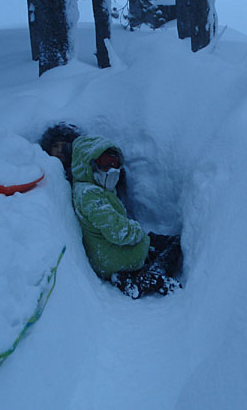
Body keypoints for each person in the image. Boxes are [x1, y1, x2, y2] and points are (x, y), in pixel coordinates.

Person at [41, 128, 182, 299]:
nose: (111, 169)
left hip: (107, 255)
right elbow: (119, 232)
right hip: (112, 259)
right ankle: (149, 279)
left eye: (115, 163)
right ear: (88, 163)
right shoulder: (89, 194)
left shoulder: (94, 187)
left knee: (151, 242)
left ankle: (125, 277)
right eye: (104, 163)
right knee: (172, 245)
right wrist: (137, 231)